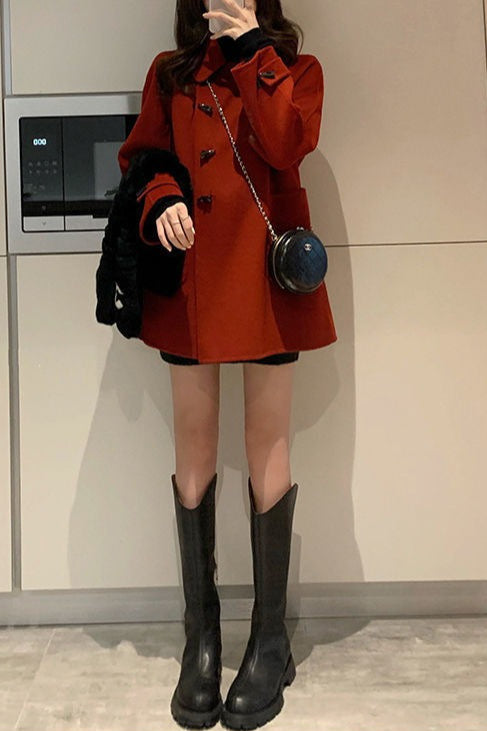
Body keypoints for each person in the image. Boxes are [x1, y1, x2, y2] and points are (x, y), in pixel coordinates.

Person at [117, 0, 338, 728]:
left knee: (268, 441)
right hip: (191, 281)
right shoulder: (170, 74)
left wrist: (251, 54)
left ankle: (270, 639)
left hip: (269, 282)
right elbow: (143, 160)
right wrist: (161, 199)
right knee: (194, 445)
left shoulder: (294, 70)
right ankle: (202, 637)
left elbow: (285, 144)